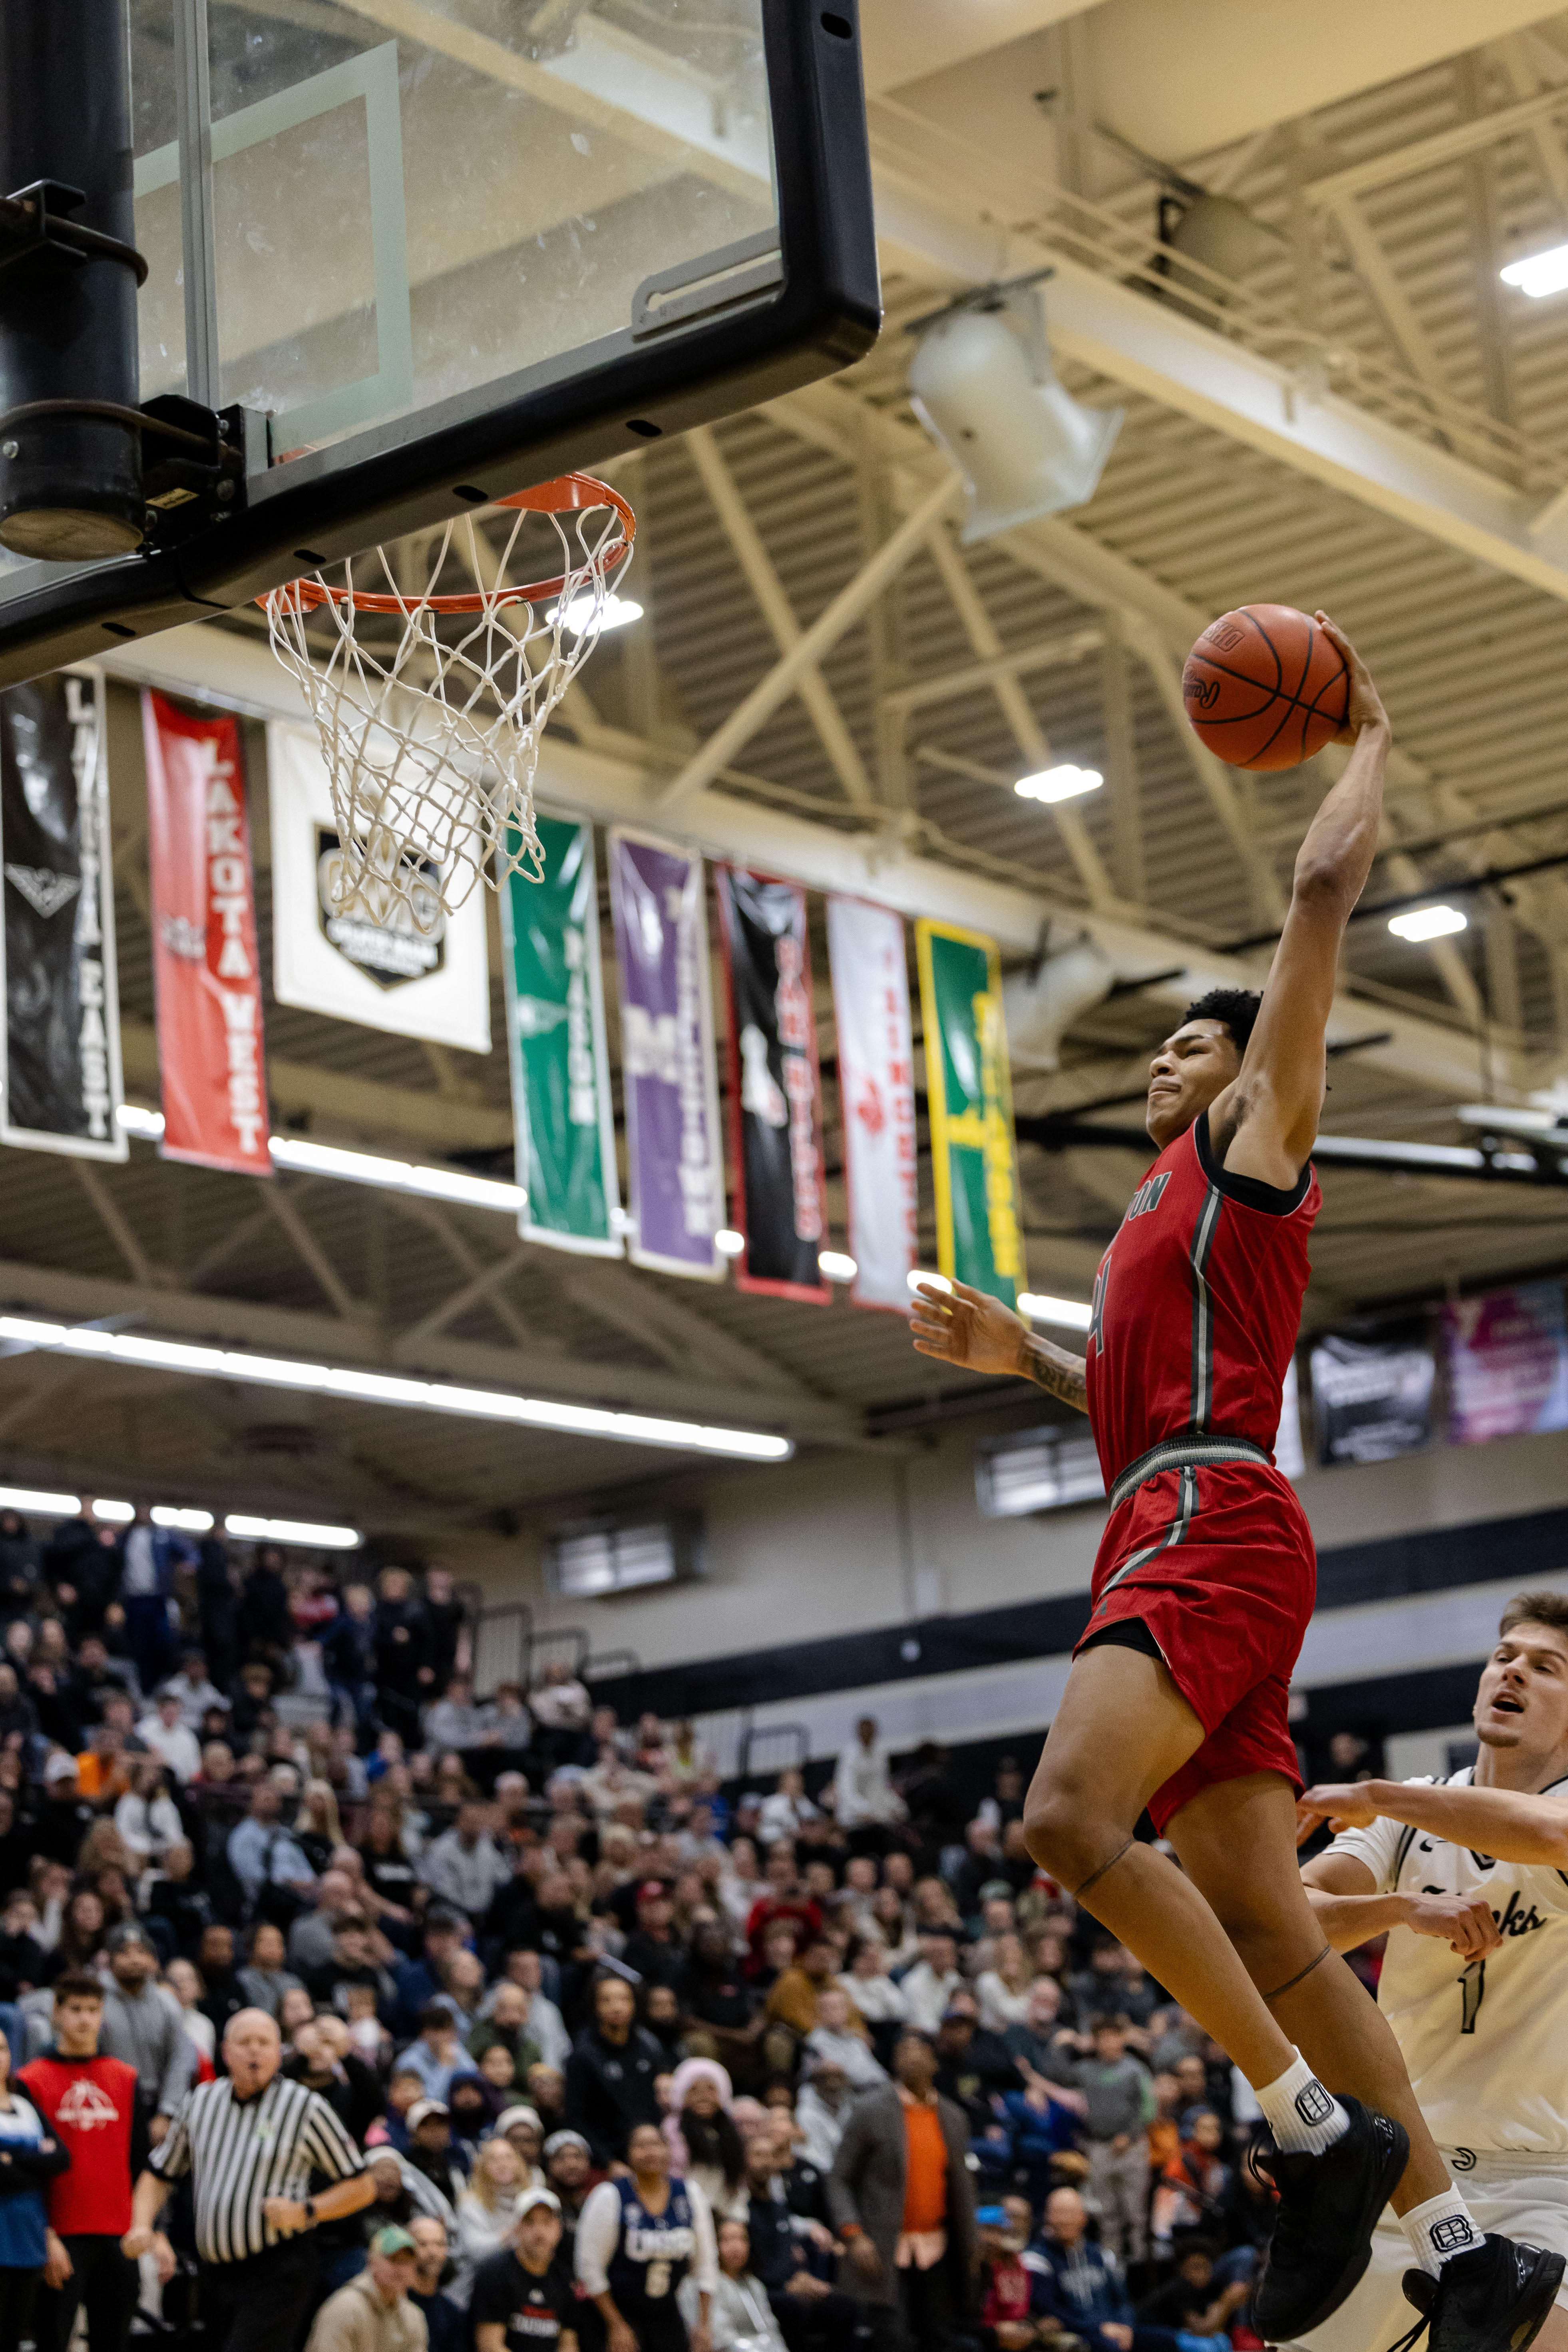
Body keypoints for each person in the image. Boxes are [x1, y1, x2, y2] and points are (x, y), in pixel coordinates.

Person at [907, 618, 1556, 2352]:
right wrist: (1018, 1361)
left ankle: (1304, 2133)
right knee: (1269, 1922)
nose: (1157, 1063)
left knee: (1060, 1818)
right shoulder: (1149, 1225)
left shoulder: (1250, 1149)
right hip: (1184, 1505)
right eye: (1157, 1058)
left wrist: (1361, 736)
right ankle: (1454, 2247)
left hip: (1208, 1525)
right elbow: (1153, 1415)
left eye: (1185, 1048)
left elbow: (1315, 906)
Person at [1291, 1592, 1568, 2352]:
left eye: (1545, 1666)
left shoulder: (1410, 1802)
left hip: (1541, 2181)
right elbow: (1292, 1919)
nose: (1511, 1671)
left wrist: (1380, 1791)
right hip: (1400, 2169)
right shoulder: (1407, 1816)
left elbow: (1541, 1831)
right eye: (1502, 1657)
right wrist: (1397, 1909)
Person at [123, 2008, 376, 2352]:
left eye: (264, 2043)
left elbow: (362, 2186)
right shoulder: (201, 2102)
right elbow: (160, 2174)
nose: (255, 2051)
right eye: (245, 2043)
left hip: (278, 2268)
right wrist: (140, 2224)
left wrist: (306, 2211)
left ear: (279, 2053)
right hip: (214, 2271)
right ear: (226, 2052)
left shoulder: (304, 2107)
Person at [826, 2029, 975, 2352]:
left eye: (918, 2050)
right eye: (902, 2051)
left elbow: (963, 2187)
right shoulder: (870, 2111)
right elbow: (839, 2178)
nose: (910, 2057)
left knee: (939, 2338)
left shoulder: (953, 2117)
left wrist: (972, 2242)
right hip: (882, 2247)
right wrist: (853, 2233)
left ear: (934, 2062)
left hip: (937, 2247)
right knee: (893, 2340)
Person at [20, 1970, 146, 2352]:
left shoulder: (126, 2078)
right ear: (57, 2013)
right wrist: (47, 2235)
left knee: (115, 2342)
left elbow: (141, 2162)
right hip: (61, 2234)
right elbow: (28, 2173)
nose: (84, 2019)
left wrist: (146, 2228)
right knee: (53, 2341)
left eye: (93, 2010)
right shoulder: (31, 2080)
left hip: (118, 2235)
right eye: (75, 2009)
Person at [575, 2119, 716, 2352]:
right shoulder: (609, 2196)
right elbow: (589, 2267)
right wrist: (616, 2325)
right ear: (629, 2154)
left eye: (657, 2144)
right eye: (641, 2146)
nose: (651, 2152)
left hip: (666, 2311)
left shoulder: (690, 2194)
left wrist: (704, 2324)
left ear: (669, 2150)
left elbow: (706, 2263)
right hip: (615, 2312)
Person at [0, 2023, 68, 2352]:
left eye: (2, 2049)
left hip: (29, 2235)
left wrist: (12, 2160)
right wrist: (34, 2158)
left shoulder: (24, 2106)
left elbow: (61, 2158)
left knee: (16, 2334)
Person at [96, 1922, 195, 2141]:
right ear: (109, 1959)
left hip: (156, 2106)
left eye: (141, 1952)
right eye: (124, 1952)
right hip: (106, 2107)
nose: (134, 1959)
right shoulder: (95, 2001)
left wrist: (168, 2111)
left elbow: (182, 2057)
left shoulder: (165, 2001)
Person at [564, 1976, 665, 2170]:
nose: (616, 2007)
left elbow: (653, 2107)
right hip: (604, 2161)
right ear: (595, 2007)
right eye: (606, 2000)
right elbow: (575, 2119)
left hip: (647, 2153)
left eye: (623, 1999)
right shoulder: (583, 2055)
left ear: (635, 2004)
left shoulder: (648, 2048)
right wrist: (609, 2162)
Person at [470, 2186, 579, 2352]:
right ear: (517, 2229)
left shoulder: (565, 2279)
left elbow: (568, 2344)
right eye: (530, 2222)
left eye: (547, 2222)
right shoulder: (495, 2274)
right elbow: (490, 2346)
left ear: (559, 2229)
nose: (539, 2232)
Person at [306, 2224, 427, 2352]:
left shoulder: (414, 2316)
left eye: (407, 2262)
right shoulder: (345, 2307)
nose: (400, 2270)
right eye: (393, 2259)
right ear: (372, 2261)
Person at [679, 2217, 783, 2352]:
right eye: (727, 2240)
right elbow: (721, 2340)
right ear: (713, 2244)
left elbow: (771, 2331)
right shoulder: (701, 2285)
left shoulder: (754, 2285)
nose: (736, 2247)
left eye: (743, 2239)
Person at [408, 2215, 466, 2352]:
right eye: (423, 2244)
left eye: (440, 2244)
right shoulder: (395, 2303)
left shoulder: (451, 2312)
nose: (433, 2252)